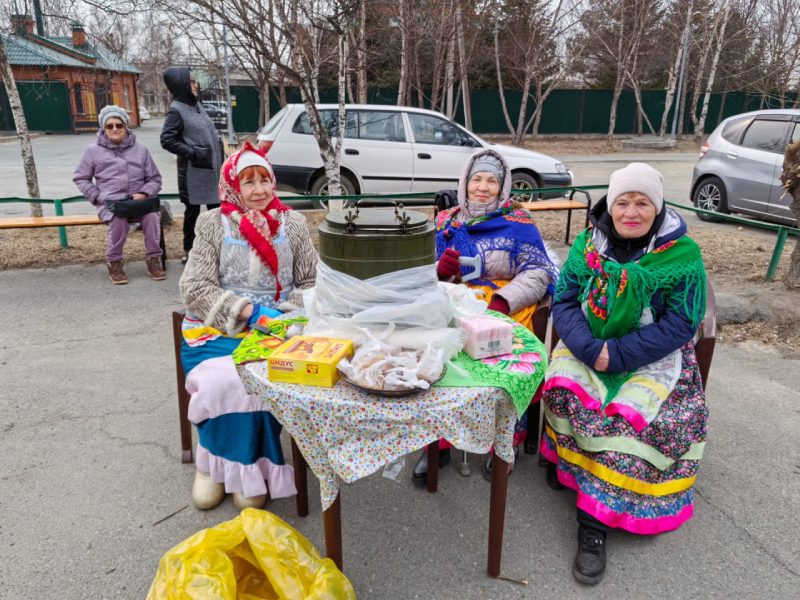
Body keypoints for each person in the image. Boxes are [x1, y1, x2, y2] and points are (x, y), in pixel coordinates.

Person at [542, 163, 707, 585]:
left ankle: (592, 526)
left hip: (654, 354)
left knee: (633, 419)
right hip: (589, 343)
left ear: (658, 206)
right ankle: (570, 463)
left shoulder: (683, 255)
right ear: (610, 206)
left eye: (642, 202)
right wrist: (591, 349)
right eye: (622, 202)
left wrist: (616, 355)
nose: (631, 212)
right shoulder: (587, 245)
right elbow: (564, 301)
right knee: (561, 383)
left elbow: (682, 323)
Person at [179, 142, 318, 510]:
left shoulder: (295, 223)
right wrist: (249, 313)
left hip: (280, 326)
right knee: (223, 381)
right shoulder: (211, 223)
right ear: (232, 187)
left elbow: (311, 282)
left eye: (264, 181)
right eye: (248, 183)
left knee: (265, 379)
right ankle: (209, 465)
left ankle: (252, 468)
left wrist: (289, 318)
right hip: (219, 328)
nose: (259, 191)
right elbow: (194, 288)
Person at [413, 149, 560, 485]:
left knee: (506, 361)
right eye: (476, 179)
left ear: (503, 186)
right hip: (454, 299)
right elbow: (422, 271)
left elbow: (538, 272)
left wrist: (502, 302)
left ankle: (505, 441)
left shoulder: (519, 221)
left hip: (503, 304)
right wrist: (440, 271)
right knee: (436, 353)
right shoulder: (445, 221)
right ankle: (440, 440)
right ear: (464, 182)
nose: (483, 187)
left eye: (492, 180)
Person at [73, 105, 165, 284]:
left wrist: (144, 193)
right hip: (111, 203)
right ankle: (114, 262)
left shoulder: (141, 149)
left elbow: (155, 178)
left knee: (152, 217)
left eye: (119, 125)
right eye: (109, 126)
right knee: (118, 220)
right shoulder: (92, 151)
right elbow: (81, 178)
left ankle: (153, 260)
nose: (115, 129)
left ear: (125, 127)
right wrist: (99, 197)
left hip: (139, 202)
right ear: (103, 128)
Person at [160, 66, 224, 264]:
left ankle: (219, 247)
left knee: (217, 211)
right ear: (182, 85)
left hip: (211, 170)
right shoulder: (176, 111)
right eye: (192, 82)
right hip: (193, 172)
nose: (196, 85)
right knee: (193, 212)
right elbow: (167, 140)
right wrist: (193, 152)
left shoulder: (196, 105)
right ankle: (190, 249)